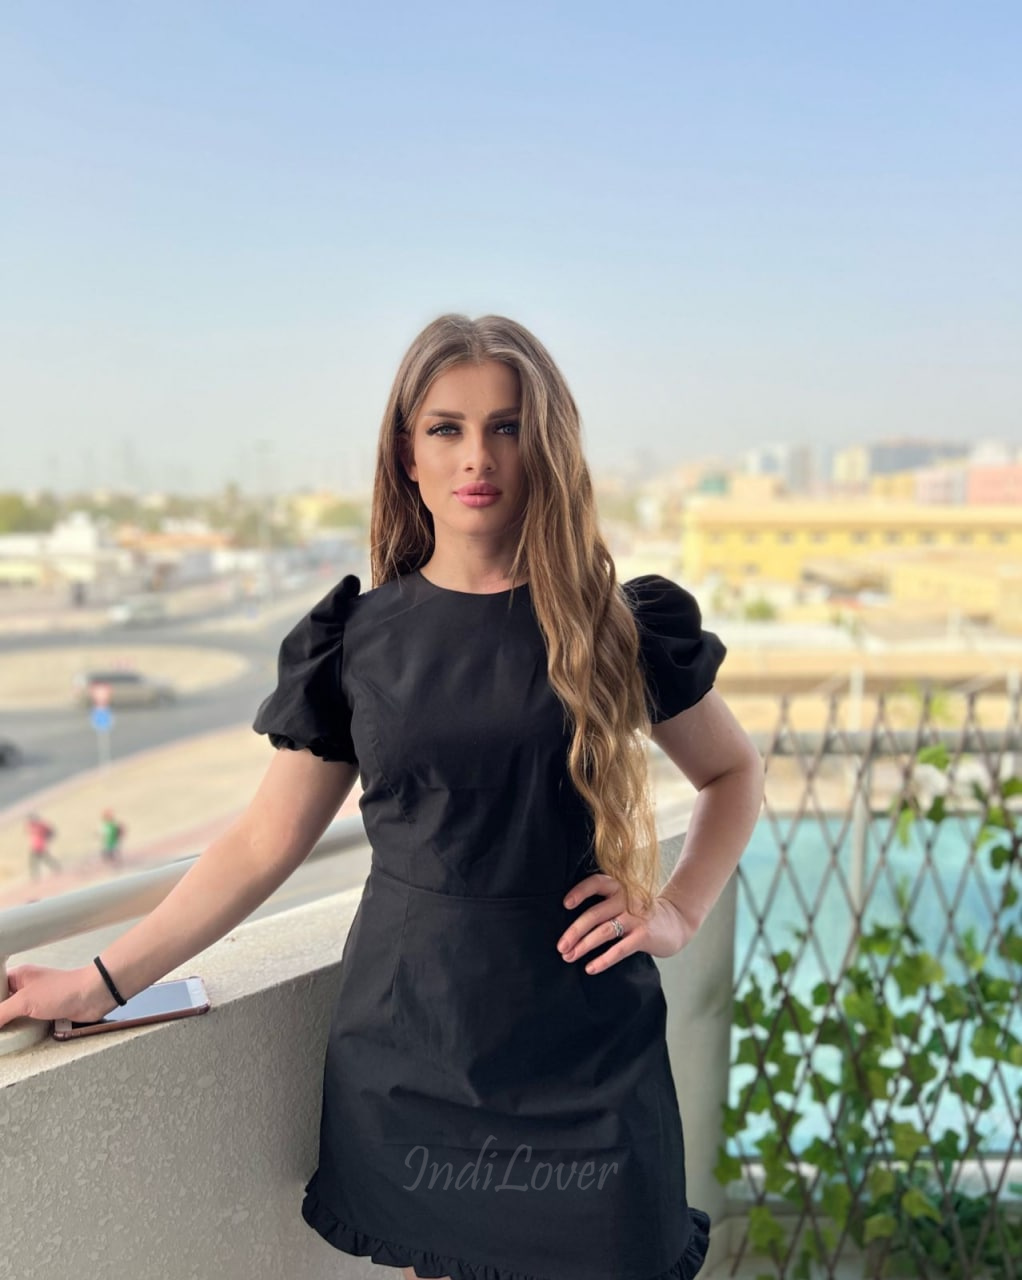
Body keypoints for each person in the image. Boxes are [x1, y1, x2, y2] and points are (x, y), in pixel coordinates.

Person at [0, 314, 765, 1280]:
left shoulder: (618, 625)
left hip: (590, 1052)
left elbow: (733, 773)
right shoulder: (356, 642)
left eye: (508, 426)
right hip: (414, 1053)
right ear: (408, 454)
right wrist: (97, 983)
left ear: (547, 447)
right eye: (446, 428)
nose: (477, 456)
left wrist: (679, 909)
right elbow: (262, 844)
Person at [25, 812, 61, 879]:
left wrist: (47, 838)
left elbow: (51, 832)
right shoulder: (31, 826)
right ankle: (57, 868)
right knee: (45, 859)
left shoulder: (41, 824)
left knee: (36, 861)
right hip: (35, 845)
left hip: (40, 845)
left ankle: (35, 876)